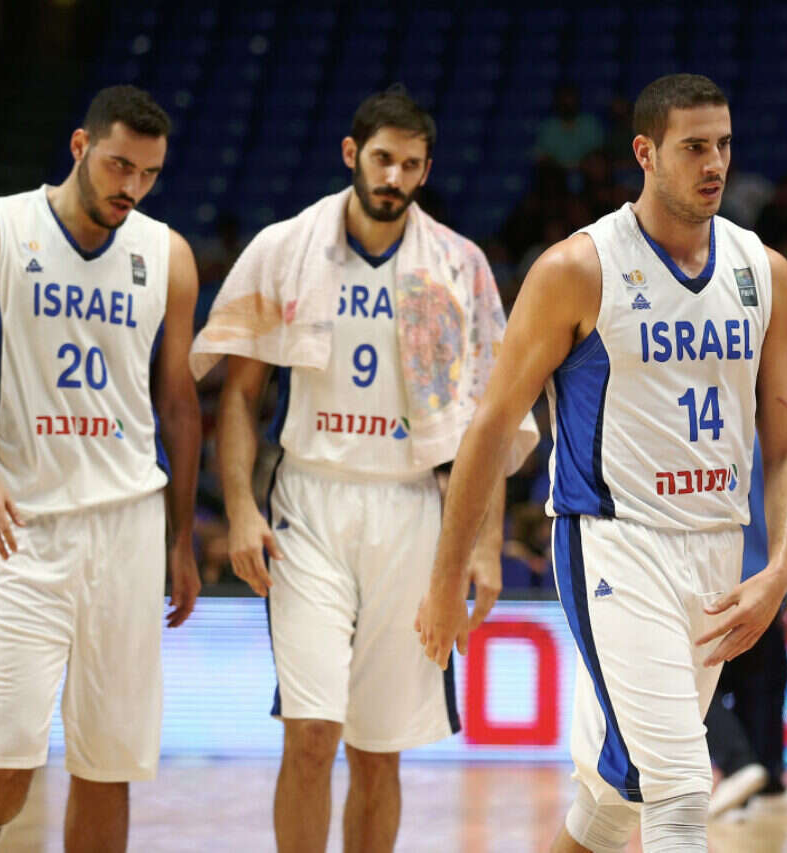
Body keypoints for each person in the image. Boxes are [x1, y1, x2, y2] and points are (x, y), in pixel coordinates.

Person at [416, 73, 787, 852]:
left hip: (719, 549)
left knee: (611, 806)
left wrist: (779, 570)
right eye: (693, 146)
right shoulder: (579, 268)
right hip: (616, 545)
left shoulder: (765, 272)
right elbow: (491, 426)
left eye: (723, 145)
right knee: (680, 790)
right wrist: (444, 577)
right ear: (645, 153)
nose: (714, 163)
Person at [190, 86, 536, 853]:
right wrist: (241, 509)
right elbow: (240, 395)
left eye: (410, 164)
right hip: (309, 504)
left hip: (412, 507)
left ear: (426, 169)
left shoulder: (459, 264)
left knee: (379, 750)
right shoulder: (286, 247)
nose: (394, 177)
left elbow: (491, 422)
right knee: (311, 732)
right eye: (382, 159)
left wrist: (482, 546)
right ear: (352, 154)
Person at [0, 85, 202, 852]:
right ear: (81, 147)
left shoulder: (168, 255)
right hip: (22, 525)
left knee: (106, 764)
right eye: (120, 165)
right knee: (4, 758)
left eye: (149, 173)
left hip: (128, 526)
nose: (132, 186)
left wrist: (181, 538)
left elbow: (179, 403)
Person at [704, 438, 787, 819]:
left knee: (714, 686)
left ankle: (753, 778)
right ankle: (753, 776)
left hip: (717, 582)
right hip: (763, 581)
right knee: (761, 686)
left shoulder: (706, 430)